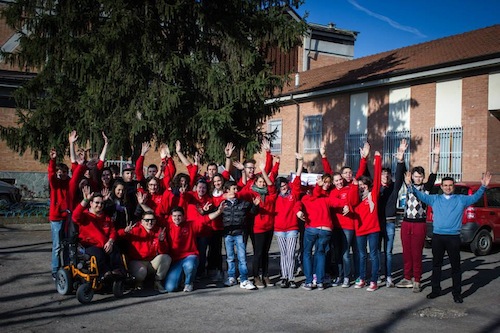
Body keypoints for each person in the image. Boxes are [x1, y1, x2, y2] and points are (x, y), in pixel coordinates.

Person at [405, 171, 491, 303]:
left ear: (453, 186)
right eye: (445, 185)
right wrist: (409, 185)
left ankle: (457, 293)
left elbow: (475, 197)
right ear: (441, 187)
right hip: (438, 237)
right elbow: (419, 195)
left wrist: (483, 186)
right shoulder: (435, 199)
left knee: (455, 267)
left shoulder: (461, 200)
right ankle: (435, 290)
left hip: (453, 238)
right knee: (436, 265)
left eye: (450, 185)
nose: (448, 187)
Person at [396, 141, 440, 292]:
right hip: (406, 223)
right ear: (412, 177)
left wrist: (437, 156)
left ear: (422, 177)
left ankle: (417, 280)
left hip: (420, 224)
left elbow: (434, 173)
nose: (417, 178)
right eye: (415, 176)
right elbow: (401, 170)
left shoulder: (427, 187)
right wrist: (401, 156)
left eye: (420, 176)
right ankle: (407, 278)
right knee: (407, 252)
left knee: (417, 253)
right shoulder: (408, 184)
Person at [164, 205, 223, 292]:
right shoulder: (167, 227)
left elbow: (206, 219)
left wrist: (218, 212)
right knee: (170, 288)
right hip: (175, 260)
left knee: (190, 266)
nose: (177, 218)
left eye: (179, 216)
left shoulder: (190, 224)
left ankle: (189, 282)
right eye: (174, 216)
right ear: (171, 217)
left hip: (190, 256)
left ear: (184, 217)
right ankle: (182, 277)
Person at [72, 186, 124, 278]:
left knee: (115, 250)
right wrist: (85, 200)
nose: (99, 205)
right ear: (91, 203)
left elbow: (113, 231)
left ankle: (117, 272)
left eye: (101, 203)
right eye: (97, 203)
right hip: (89, 245)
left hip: (105, 244)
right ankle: (105, 274)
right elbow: (75, 216)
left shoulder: (106, 218)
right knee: (99, 254)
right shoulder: (84, 216)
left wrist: (110, 241)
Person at [118, 211, 172, 293]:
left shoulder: (159, 231)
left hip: (151, 262)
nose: (149, 222)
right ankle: (138, 283)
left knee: (166, 258)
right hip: (137, 261)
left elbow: (163, 251)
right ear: (142, 221)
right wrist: (124, 232)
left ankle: (157, 281)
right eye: (147, 220)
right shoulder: (135, 230)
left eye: (152, 220)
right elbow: (117, 236)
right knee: (141, 273)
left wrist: (161, 241)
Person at [377, 139, 406, 288]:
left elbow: (400, 177)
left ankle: (389, 276)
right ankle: (378, 275)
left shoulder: (394, 188)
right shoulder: (375, 188)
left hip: (389, 222)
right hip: (376, 224)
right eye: (382, 175)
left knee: (388, 252)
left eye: (387, 175)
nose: (385, 177)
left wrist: (401, 161)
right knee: (376, 252)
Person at [220, 181, 260, 290]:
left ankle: (244, 279)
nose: (236, 191)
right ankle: (231, 277)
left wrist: (255, 206)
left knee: (242, 258)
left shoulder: (242, 203)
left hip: (240, 234)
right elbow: (216, 215)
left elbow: (252, 212)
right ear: (227, 190)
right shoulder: (222, 204)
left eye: (237, 189)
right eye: (234, 189)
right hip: (228, 234)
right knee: (230, 258)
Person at [274, 153, 304, 289]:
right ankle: (284, 277)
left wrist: (301, 162)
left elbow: (297, 179)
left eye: (285, 184)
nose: (284, 187)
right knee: (283, 254)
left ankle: (291, 278)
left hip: (292, 228)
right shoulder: (276, 197)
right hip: (280, 230)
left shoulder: (293, 194)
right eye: (281, 185)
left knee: (291, 254)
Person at [353, 151, 382, 291]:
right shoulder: (355, 198)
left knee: (373, 254)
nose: (362, 186)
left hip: (373, 229)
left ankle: (374, 280)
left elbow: (377, 178)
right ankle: (362, 278)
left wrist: (377, 159)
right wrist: (362, 159)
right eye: (360, 184)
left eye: (364, 183)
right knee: (362, 255)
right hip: (360, 230)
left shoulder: (373, 194)